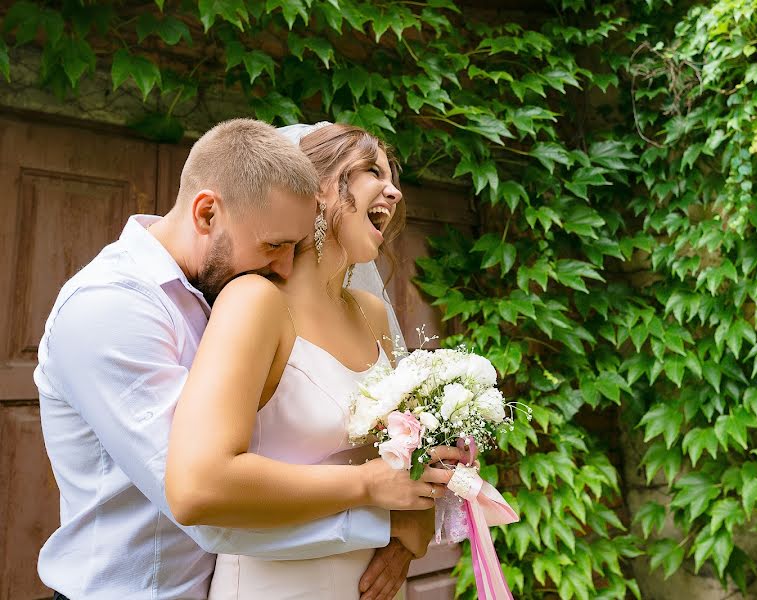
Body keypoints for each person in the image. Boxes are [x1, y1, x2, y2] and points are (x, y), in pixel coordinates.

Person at [34, 118, 447, 600]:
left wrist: (412, 525)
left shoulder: (228, 285)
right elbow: (203, 500)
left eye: (293, 246)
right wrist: (379, 507)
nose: (284, 266)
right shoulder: (111, 308)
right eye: (275, 245)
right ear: (207, 214)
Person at [165, 123, 463, 600]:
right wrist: (365, 485)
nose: (395, 191)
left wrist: (413, 524)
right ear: (317, 189)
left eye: (393, 177)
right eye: (371, 170)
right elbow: (197, 485)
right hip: (277, 584)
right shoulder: (255, 302)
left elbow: (401, 461)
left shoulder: (371, 315)